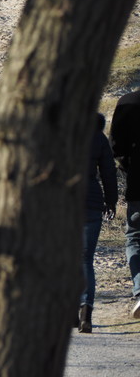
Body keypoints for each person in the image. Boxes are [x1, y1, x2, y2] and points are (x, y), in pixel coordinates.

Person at [78, 113, 117, 333]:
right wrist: (111, 201)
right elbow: (109, 172)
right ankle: (85, 311)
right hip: (92, 201)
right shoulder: (98, 137)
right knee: (85, 259)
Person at [110, 90, 140, 318]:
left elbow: (116, 146)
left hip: (138, 183)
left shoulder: (129, 101)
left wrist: (127, 165)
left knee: (135, 238)